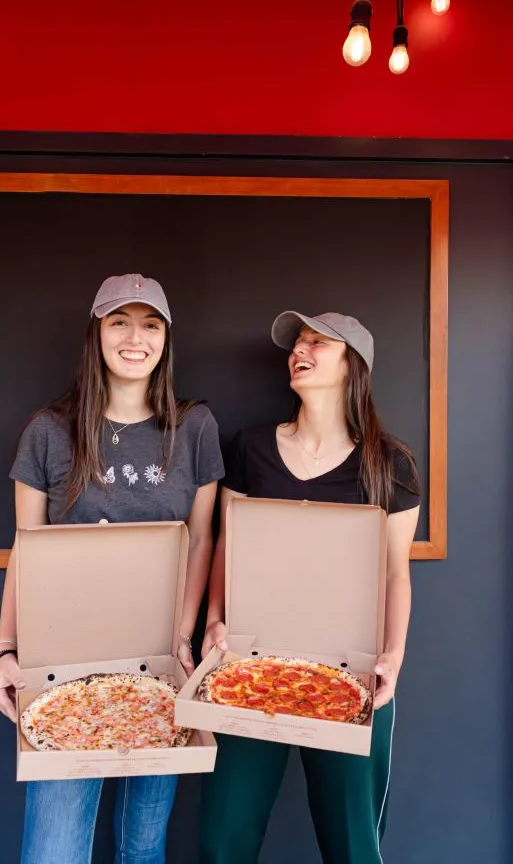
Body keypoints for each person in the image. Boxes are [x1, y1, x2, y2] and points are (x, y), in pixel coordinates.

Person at [0, 273, 224, 864]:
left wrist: (180, 637)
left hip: (161, 666)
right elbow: (27, 546)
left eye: (150, 324)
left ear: (167, 339)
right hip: (62, 662)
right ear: (97, 333)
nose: (134, 337)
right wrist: (5, 649)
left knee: (143, 848)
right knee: (53, 853)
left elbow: (200, 540)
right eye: (120, 321)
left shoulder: (194, 427)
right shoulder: (49, 430)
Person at [200, 311, 420, 864]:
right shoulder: (249, 447)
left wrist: (392, 658)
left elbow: (396, 573)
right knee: (224, 839)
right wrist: (213, 621)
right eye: (297, 343)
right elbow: (228, 546)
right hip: (250, 666)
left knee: (354, 846)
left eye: (318, 342)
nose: (300, 350)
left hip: (353, 671)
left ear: (354, 366)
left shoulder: (389, 464)